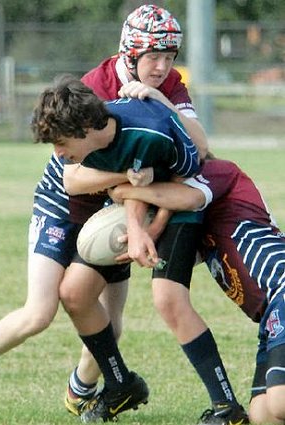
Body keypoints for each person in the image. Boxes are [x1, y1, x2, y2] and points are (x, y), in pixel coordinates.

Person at [0, 4, 206, 419]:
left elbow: (200, 146)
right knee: (38, 312)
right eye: (152, 57)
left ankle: (84, 386)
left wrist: (161, 102)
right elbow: (73, 178)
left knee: (110, 319)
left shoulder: (170, 85)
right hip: (63, 202)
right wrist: (128, 176)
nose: (161, 67)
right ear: (129, 53)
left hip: (111, 209)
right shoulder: (96, 85)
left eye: (168, 57)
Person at [32, 74, 248, 425]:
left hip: (179, 203)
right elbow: (127, 180)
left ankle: (227, 406)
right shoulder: (93, 143)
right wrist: (135, 230)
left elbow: (186, 177)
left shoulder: (154, 129)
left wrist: (155, 227)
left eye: (60, 143)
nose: (58, 154)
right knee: (74, 292)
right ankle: (120, 384)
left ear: (86, 126)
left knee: (167, 297)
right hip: (135, 204)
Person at [108, 157, 285, 425]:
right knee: (264, 415)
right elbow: (173, 265)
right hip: (269, 316)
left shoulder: (220, 171)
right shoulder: (202, 227)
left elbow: (188, 198)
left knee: (280, 402)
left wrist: (125, 191)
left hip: (281, 289)